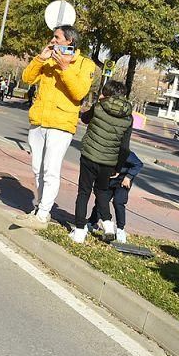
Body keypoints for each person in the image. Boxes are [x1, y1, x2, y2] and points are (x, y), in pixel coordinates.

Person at [20, 25, 96, 226]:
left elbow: (79, 93)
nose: (52, 40)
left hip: (61, 124)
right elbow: (27, 78)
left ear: (69, 41)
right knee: (38, 168)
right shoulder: (47, 60)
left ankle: (44, 212)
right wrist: (40, 59)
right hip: (39, 121)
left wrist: (64, 68)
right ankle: (40, 205)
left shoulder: (84, 64)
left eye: (56, 37)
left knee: (50, 170)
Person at [69, 79, 133, 242]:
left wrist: (94, 107)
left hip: (89, 156)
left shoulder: (98, 107)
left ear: (108, 94)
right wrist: (118, 167)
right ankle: (108, 225)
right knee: (102, 192)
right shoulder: (128, 117)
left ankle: (79, 231)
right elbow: (125, 147)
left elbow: (84, 119)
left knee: (83, 192)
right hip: (109, 162)